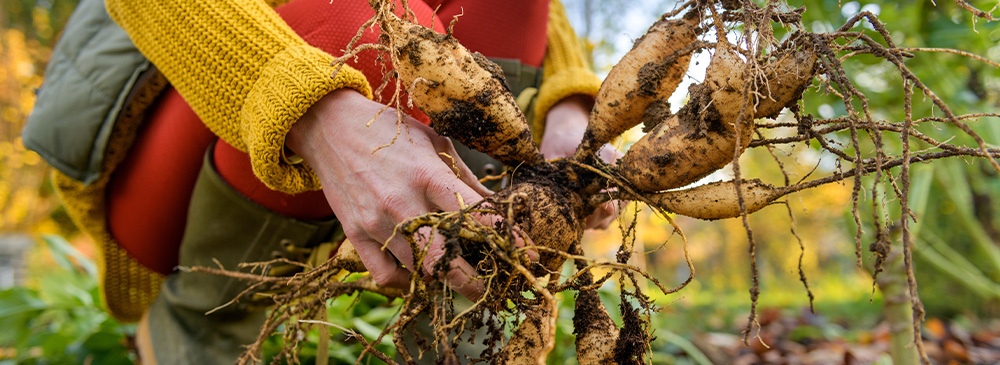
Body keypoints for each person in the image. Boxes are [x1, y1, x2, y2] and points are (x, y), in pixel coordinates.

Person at [24, 0, 619, 363]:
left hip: (372, 93)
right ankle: (209, 324)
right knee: (365, 27)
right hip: (176, 116)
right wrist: (310, 111)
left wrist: (564, 105)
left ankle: (465, 326)